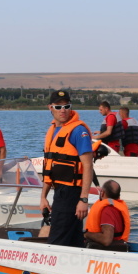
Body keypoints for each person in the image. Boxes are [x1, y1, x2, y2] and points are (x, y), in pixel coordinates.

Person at [39, 90, 93, 247]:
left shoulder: (78, 131)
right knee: (73, 240)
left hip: (71, 194)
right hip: (59, 191)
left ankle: (52, 269)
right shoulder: (53, 131)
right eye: (58, 106)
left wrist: (83, 199)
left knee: (57, 240)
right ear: (50, 107)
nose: (63, 110)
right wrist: (43, 197)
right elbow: (49, 169)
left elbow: (88, 165)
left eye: (66, 106)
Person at [84, 180, 130, 252]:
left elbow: (106, 240)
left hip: (107, 251)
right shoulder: (116, 207)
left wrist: (86, 234)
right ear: (118, 195)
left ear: (102, 193)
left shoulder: (107, 210)